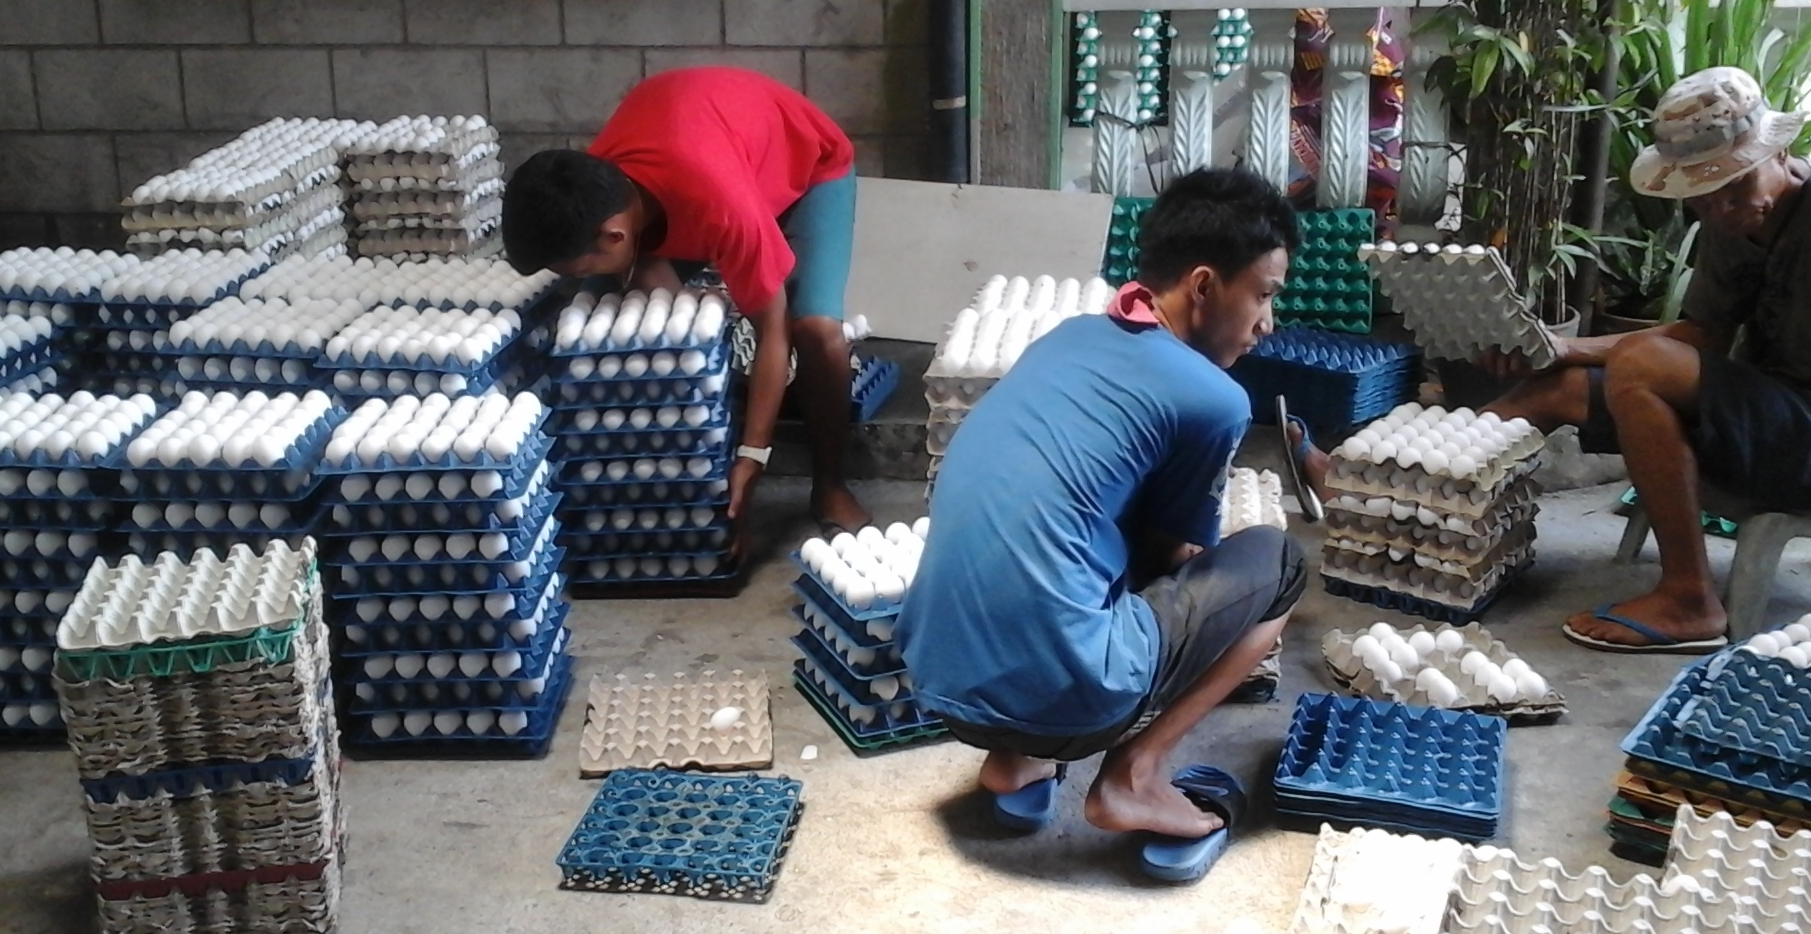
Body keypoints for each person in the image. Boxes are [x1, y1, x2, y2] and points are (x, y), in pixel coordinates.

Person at [1294, 66, 1811, 652]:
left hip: (1807, 438)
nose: (1720, 206)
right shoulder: (1731, 220)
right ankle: (1375, 491)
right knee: (1556, 387)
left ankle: (1691, 597)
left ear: (1781, 150)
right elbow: (1705, 333)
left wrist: (1600, 351)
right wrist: (1560, 348)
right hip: (1768, 407)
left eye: (1735, 185)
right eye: (1703, 193)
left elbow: (1674, 354)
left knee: (1641, 364)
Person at [895, 168, 1308, 884]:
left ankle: (1015, 760)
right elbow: (1171, 550)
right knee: (1277, 563)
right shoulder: (1213, 396)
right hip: (1077, 698)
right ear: (1205, 286)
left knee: (1068, 542)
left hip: (933, 679)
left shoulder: (1067, 338)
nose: (1267, 323)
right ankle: (1133, 776)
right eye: (1264, 295)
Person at [500, 66, 870, 542]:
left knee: (814, 328)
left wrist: (753, 455)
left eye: (576, 267)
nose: (576, 278)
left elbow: (772, 326)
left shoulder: (720, 207)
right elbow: (639, 275)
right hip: (711, 146)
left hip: (808, 161)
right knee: (632, 312)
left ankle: (830, 484)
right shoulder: (595, 185)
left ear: (614, 235)